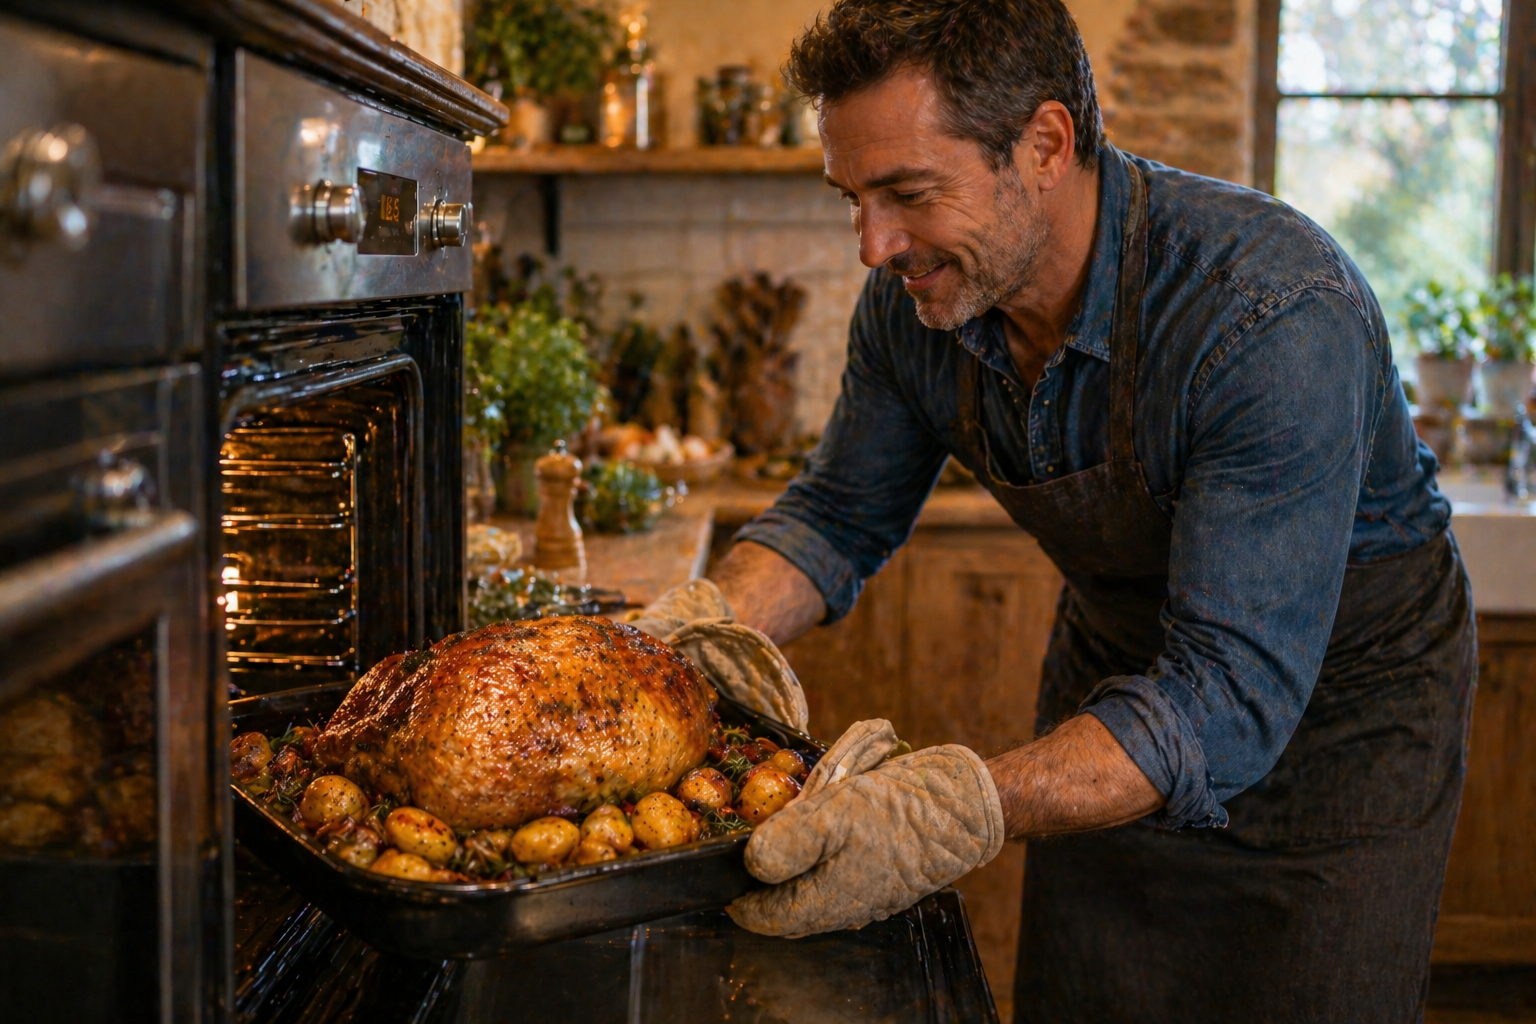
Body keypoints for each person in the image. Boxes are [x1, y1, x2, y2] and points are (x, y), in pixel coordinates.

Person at [637, 1, 1475, 1020]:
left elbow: (1232, 689)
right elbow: (838, 514)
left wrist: (956, 808)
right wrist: (679, 641)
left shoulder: (1269, 311)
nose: (872, 245)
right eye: (851, 198)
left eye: (906, 193)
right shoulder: (917, 307)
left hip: (1342, 728)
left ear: (1043, 145)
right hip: (1117, 683)